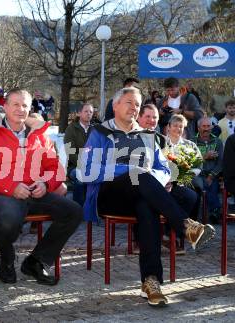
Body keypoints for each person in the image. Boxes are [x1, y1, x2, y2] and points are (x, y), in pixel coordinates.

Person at [82, 87, 215, 307]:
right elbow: (87, 171)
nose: (134, 108)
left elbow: (163, 169)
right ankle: (186, 225)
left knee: (147, 206)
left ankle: (150, 281)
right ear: (115, 105)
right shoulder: (99, 133)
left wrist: (155, 176)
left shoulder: (148, 136)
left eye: (137, 104)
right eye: (129, 102)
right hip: (110, 195)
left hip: (142, 195)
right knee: (139, 175)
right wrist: (129, 171)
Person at [0, 89, 82, 286]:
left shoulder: (39, 135)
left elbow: (55, 168)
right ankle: (7, 258)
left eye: (24, 105)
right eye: (15, 104)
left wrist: (45, 183)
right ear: (4, 107)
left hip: (35, 191)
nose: (20, 109)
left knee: (73, 212)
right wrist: (11, 187)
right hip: (2, 193)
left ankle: (36, 261)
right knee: (9, 219)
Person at [137, 105, 198, 253]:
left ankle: (171, 235)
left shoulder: (160, 140)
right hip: (138, 184)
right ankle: (139, 240)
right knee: (144, 199)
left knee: (190, 195)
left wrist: (167, 179)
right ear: (139, 118)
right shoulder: (131, 136)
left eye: (155, 118)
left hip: (164, 183)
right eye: (148, 117)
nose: (152, 121)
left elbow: (164, 164)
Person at [193, 117, 223, 223]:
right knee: (203, 185)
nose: (206, 129)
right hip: (197, 174)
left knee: (211, 186)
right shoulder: (192, 141)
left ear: (212, 127)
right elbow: (190, 161)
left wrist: (212, 175)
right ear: (198, 127)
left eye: (208, 126)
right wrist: (204, 156)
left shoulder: (218, 141)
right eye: (204, 126)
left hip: (212, 174)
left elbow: (220, 162)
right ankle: (215, 210)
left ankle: (213, 212)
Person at [64, 103, 94, 206]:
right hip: (74, 166)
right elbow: (70, 152)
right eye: (86, 111)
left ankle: (97, 207)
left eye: (91, 112)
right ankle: (78, 208)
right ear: (79, 113)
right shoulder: (71, 129)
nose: (89, 114)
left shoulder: (96, 129)